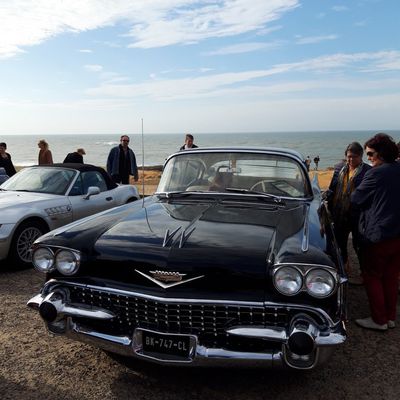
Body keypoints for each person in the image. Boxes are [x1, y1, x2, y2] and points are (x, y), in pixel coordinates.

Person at [351, 133, 400, 331]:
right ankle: (390, 317)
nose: (368, 157)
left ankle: (378, 320)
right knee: (390, 276)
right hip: (398, 233)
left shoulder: (375, 173)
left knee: (372, 275)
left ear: (380, 153)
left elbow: (356, 198)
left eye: (370, 153)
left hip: (379, 233)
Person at [326, 142, 371, 273]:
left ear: (361, 156)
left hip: (358, 215)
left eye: (354, 156)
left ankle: (365, 271)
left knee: (359, 245)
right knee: (340, 243)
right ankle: (344, 266)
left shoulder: (368, 172)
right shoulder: (339, 168)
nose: (351, 159)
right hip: (339, 213)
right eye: (349, 156)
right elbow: (332, 188)